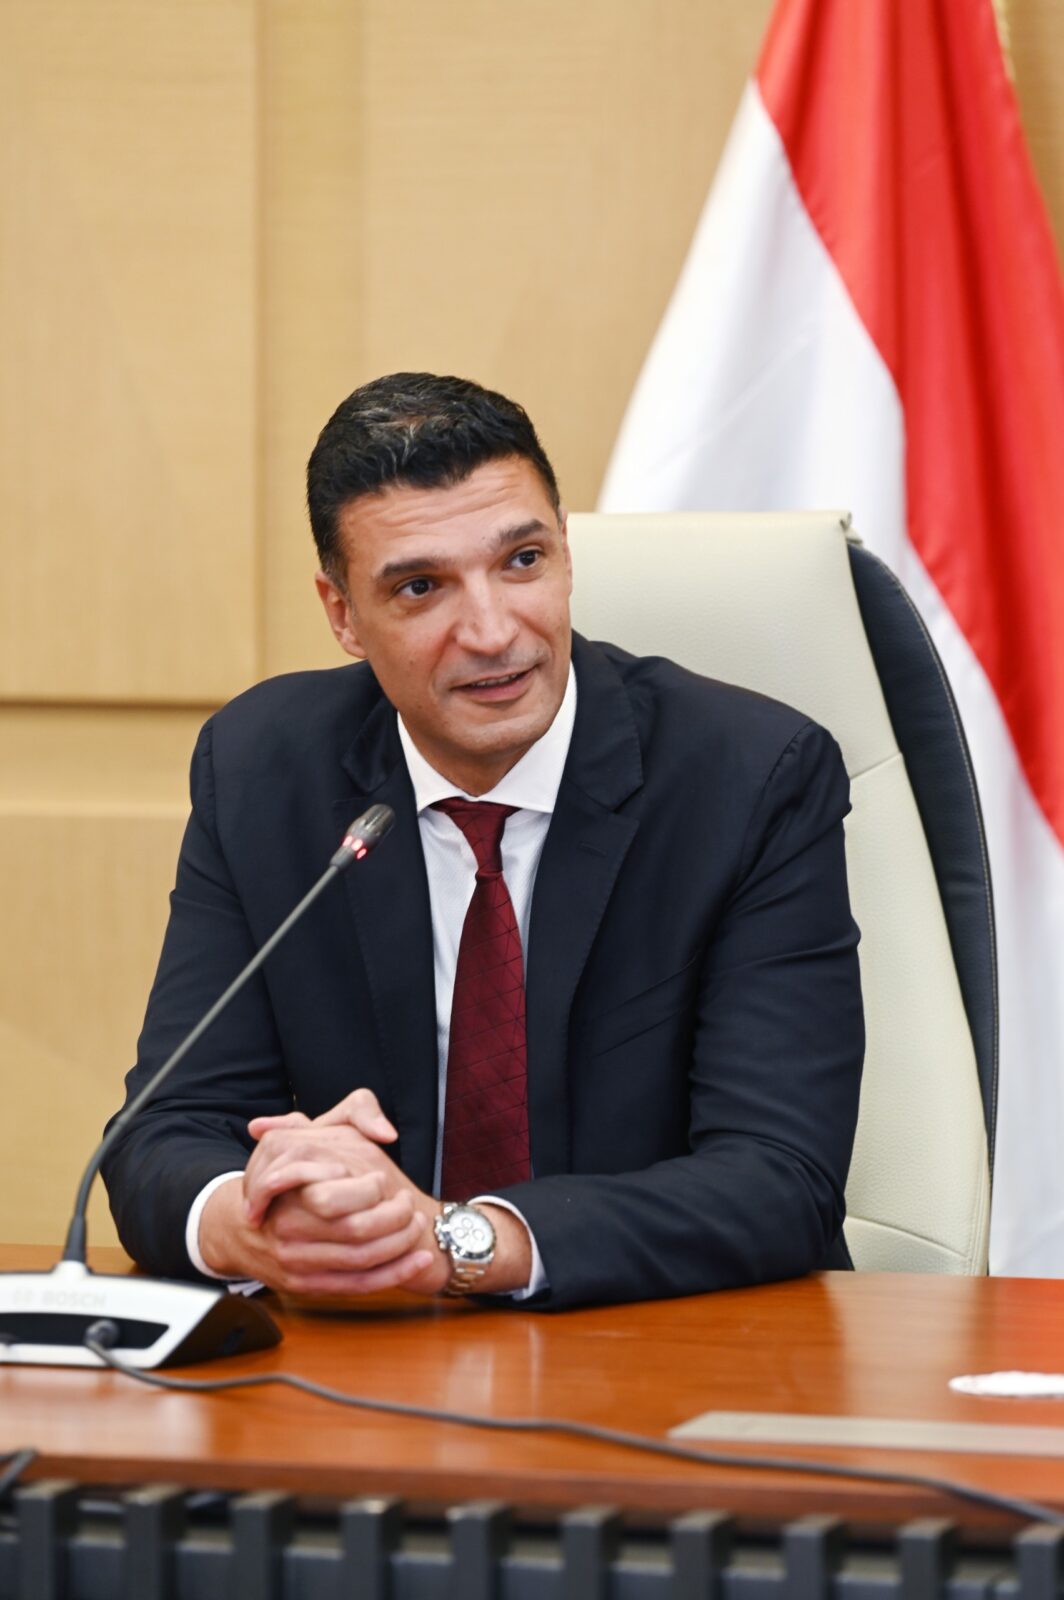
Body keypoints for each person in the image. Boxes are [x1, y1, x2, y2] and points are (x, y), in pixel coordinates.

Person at [102, 372, 864, 1309]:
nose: (494, 631)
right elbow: (164, 1131)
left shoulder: (748, 778)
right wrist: (264, 1222)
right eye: (421, 587)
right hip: (366, 1355)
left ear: (567, 554)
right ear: (342, 614)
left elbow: (780, 1178)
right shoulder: (265, 770)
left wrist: (454, 1241)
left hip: (672, 1340)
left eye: (522, 561)